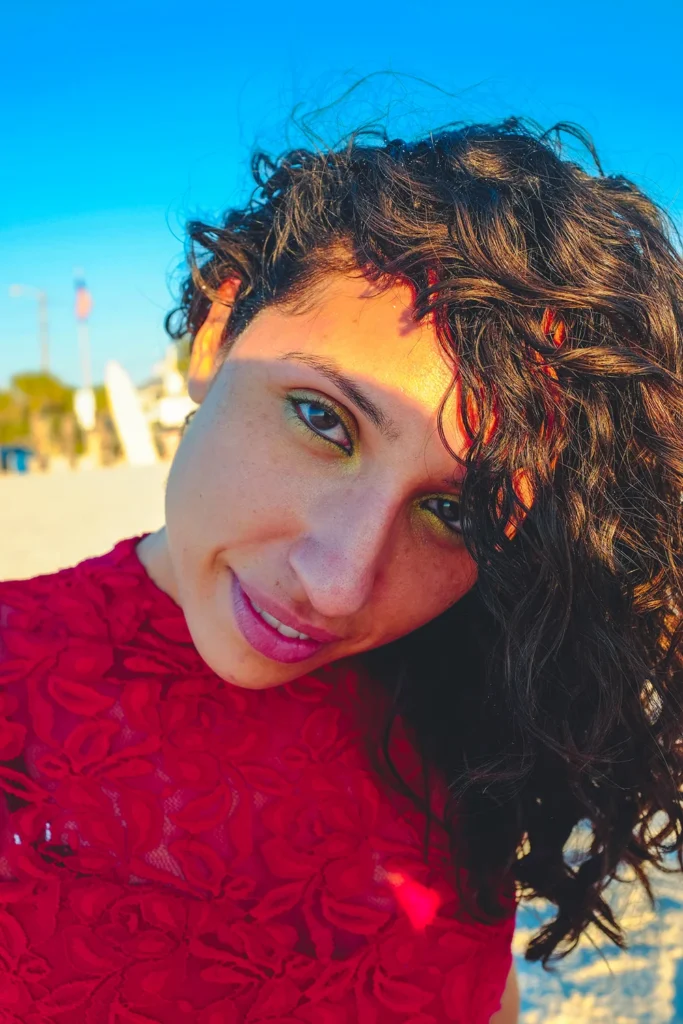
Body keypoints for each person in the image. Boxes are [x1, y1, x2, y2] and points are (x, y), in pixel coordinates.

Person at [1, 117, 682, 1024]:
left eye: (456, 512)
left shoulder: (483, 696)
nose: (338, 585)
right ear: (214, 329)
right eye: (323, 421)